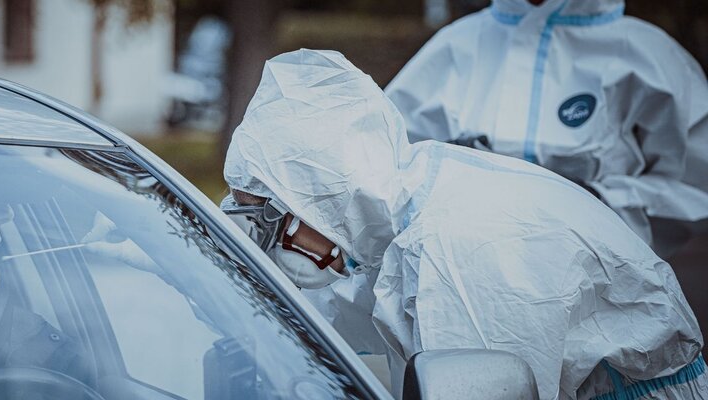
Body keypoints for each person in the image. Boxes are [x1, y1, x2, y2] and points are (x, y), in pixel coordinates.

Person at [222, 49, 706, 399]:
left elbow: (480, 389)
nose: (266, 245)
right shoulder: (391, 215)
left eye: (268, 221)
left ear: (319, 198)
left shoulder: (460, 253)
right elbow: (342, 324)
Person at [384, 0, 708, 258]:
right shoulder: (452, 47)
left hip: (603, 303)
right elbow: (383, 170)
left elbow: (694, 189)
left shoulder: (651, 57)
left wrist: (598, 202)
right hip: (455, 290)